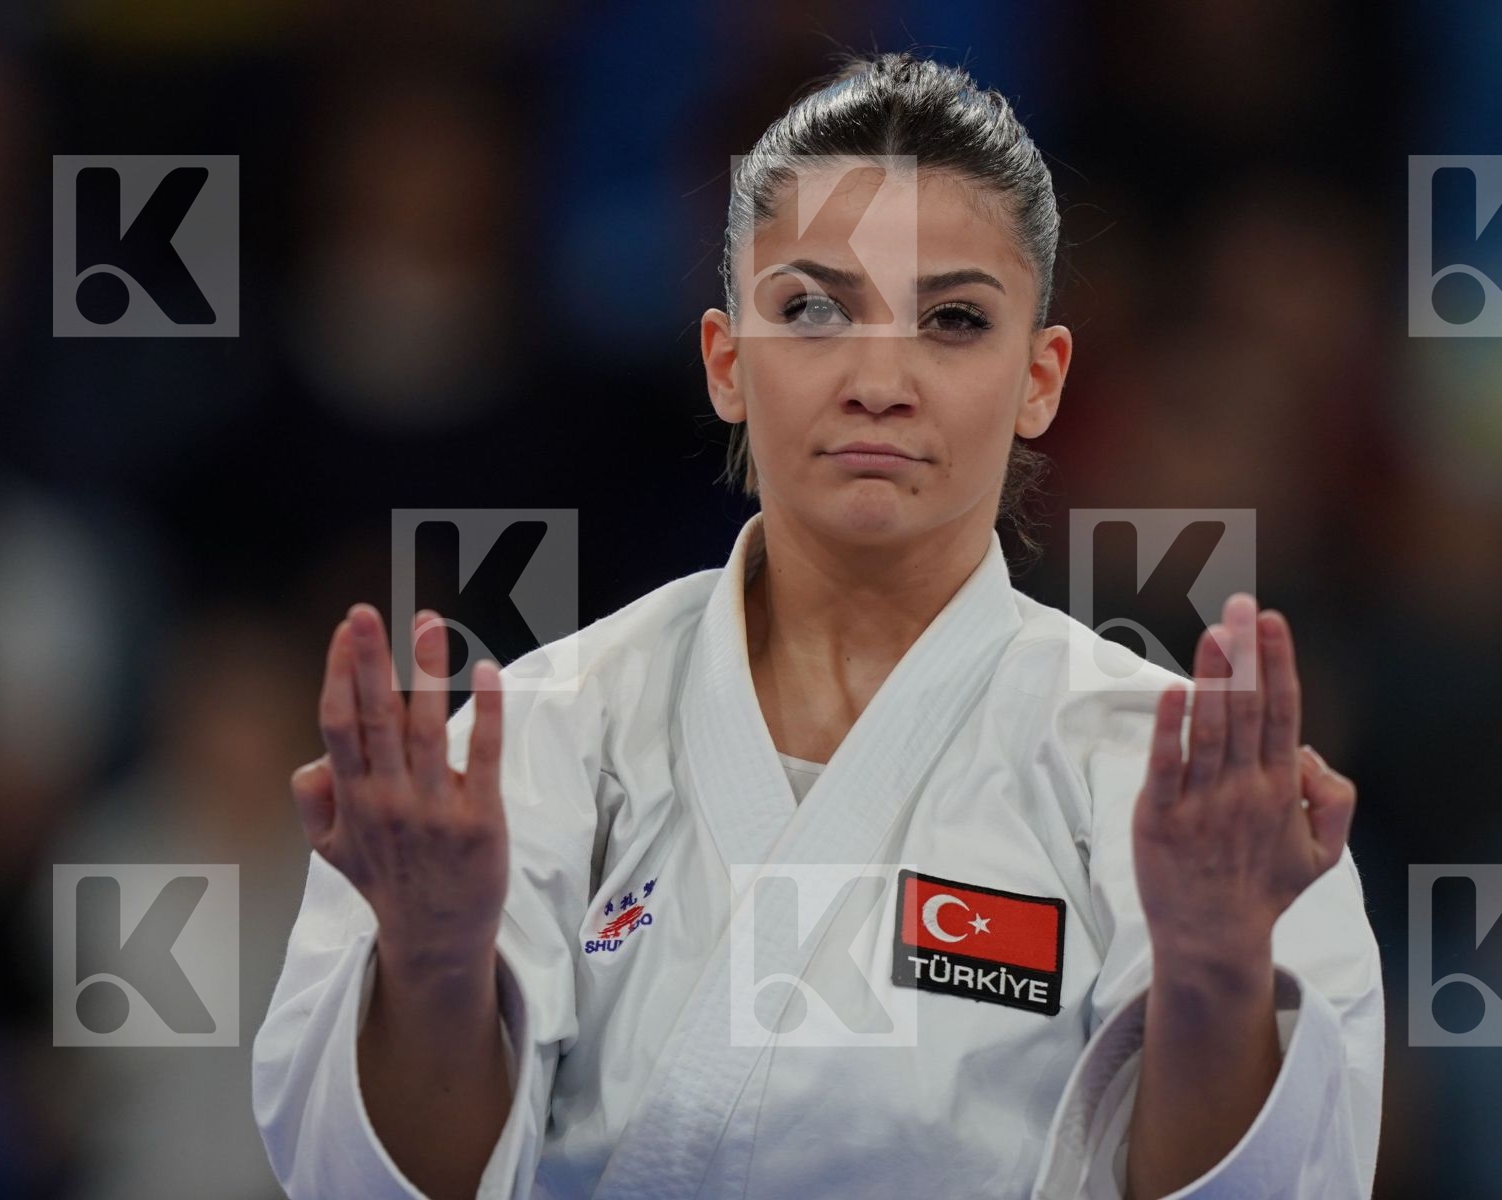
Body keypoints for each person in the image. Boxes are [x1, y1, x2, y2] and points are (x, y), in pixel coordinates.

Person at [251, 51, 1383, 1200]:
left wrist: (1213, 982)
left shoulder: (1179, 789)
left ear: (1040, 378)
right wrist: (437, 969)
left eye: (952, 319)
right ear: (726, 362)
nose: (879, 380)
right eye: (812, 309)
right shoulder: (526, 745)